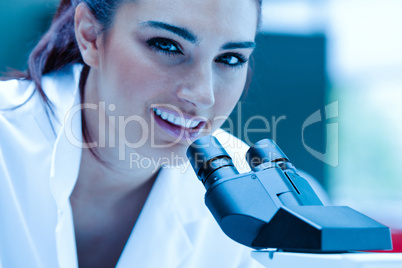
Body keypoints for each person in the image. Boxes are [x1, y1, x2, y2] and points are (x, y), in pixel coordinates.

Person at [0, 0, 265, 267]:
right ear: (90, 35)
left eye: (230, 59)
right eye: (167, 45)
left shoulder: (255, 196)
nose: (202, 95)